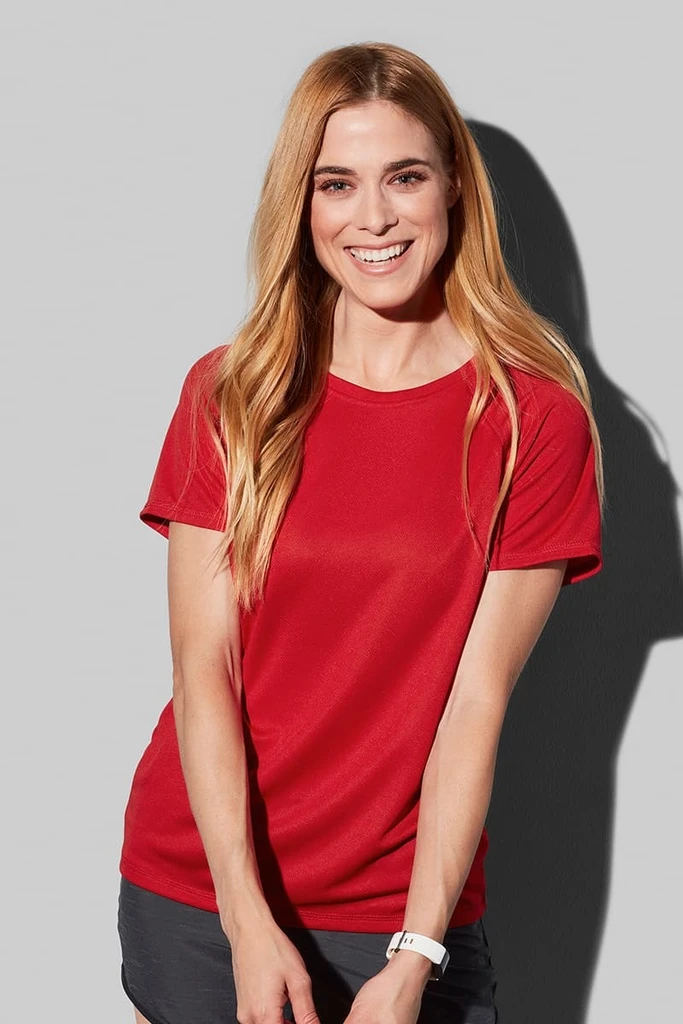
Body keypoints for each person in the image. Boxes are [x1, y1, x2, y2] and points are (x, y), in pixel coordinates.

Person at [117, 40, 604, 1024]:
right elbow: (204, 666)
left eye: (404, 177)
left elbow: (473, 703)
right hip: (204, 887)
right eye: (335, 183)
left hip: (401, 912)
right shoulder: (233, 393)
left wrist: (416, 954)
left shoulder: (531, 422)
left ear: (453, 187)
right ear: (302, 205)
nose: (371, 217)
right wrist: (245, 922)